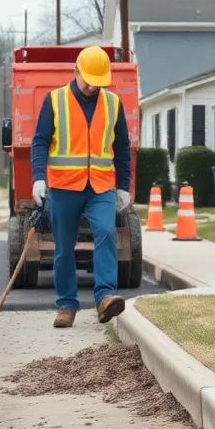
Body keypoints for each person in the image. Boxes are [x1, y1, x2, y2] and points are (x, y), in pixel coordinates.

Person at [30, 46, 132, 329]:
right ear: (75, 72)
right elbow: (39, 141)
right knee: (64, 248)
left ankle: (104, 297)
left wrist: (123, 186)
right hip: (63, 186)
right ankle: (66, 305)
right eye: (87, 79)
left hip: (100, 185)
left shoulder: (113, 103)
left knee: (106, 232)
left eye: (97, 81)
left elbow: (122, 147)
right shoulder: (55, 100)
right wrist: (39, 177)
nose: (91, 86)